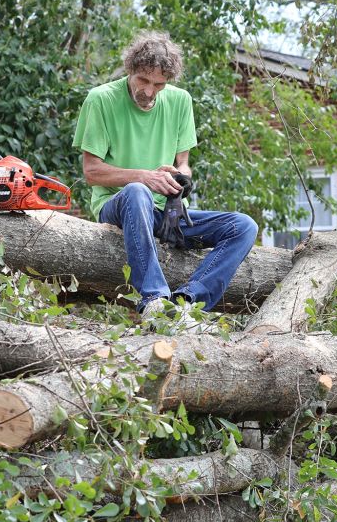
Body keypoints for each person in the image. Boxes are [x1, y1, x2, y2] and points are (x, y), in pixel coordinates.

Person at [73, 31, 257, 314]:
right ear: (130, 70)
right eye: (143, 81)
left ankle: (187, 304)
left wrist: (180, 176)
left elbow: (184, 163)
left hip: (168, 215)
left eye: (158, 84)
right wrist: (144, 177)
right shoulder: (101, 100)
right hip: (120, 208)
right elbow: (92, 172)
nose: (149, 91)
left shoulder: (181, 101)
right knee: (137, 191)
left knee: (244, 226)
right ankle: (154, 300)